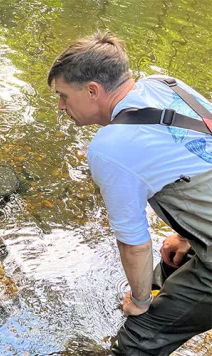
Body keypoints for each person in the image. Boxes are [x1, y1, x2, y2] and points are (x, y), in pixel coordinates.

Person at [47, 31, 212, 355]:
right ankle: (163, 295)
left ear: (93, 91)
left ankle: (143, 322)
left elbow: (134, 244)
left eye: (64, 96)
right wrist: (188, 237)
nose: (61, 106)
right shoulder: (166, 86)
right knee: (170, 258)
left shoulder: (110, 148)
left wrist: (138, 302)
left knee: (138, 338)